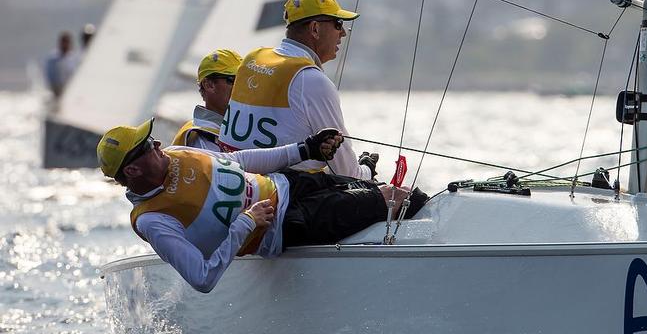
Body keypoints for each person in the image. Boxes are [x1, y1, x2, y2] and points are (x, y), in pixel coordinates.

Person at [97, 118, 426, 293]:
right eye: (146, 146)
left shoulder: (177, 154)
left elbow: (239, 160)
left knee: (390, 191)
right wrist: (246, 224)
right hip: (287, 225)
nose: (157, 143)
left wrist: (305, 149)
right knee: (397, 199)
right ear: (133, 170)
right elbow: (201, 277)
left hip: (290, 183)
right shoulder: (154, 220)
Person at [219, 0, 379, 179]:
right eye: (338, 24)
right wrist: (367, 168)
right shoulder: (312, 80)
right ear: (315, 29)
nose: (343, 33)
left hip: (230, 176)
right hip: (280, 193)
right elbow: (347, 173)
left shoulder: (252, 59)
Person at [172, 49, 243, 150]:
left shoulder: (237, 129)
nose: (241, 87)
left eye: (243, 81)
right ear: (209, 85)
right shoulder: (198, 138)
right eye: (233, 80)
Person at [44, 31, 77, 96]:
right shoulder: (52, 58)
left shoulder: (74, 58)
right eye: (63, 42)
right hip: (56, 90)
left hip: (71, 89)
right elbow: (49, 75)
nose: (65, 44)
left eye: (67, 42)